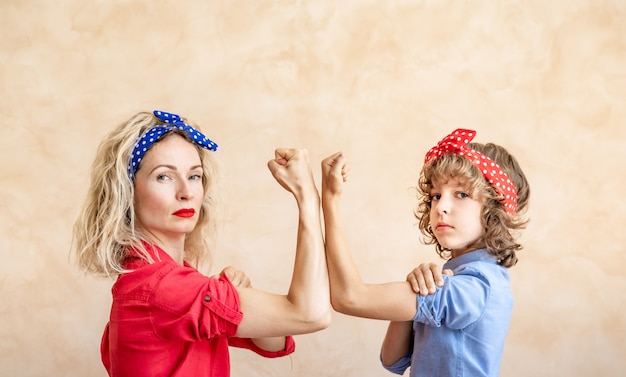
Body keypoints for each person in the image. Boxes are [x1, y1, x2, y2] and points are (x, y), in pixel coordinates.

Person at [72, 110, 331, 377]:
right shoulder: (162, 289)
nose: (186, 192)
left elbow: (273, 338)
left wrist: (241, 296)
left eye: (194, 176)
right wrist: (308, 197)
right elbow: (311, 314)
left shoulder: (167, 281)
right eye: (164, 176)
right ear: (127, 192)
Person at [320, 128, 530, 377]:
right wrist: (414, 293)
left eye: (461, 194)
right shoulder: (454, 276)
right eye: (436, 195)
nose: (441, 206)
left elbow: (350, 297)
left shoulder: (474, 287)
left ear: (497, 210)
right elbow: (393, 360)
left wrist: (329, 201)